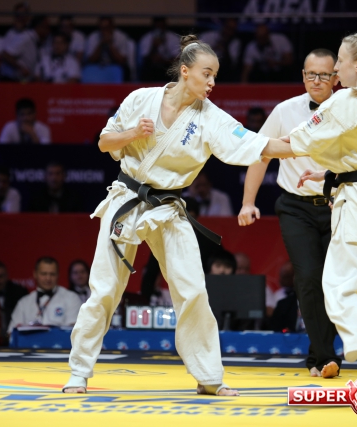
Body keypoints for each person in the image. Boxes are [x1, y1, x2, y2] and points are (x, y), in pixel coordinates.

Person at [62, 35, 284, 396]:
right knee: (104, 289)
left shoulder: (211, 117)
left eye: (215, 76)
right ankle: (78, 373)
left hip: (167, 208)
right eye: (207, 74)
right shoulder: (141, 99)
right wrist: (133, 132)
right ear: (185, 71)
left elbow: (257, 145)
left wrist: (304, 146)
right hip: (126, 198)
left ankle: (209, 377)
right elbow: (104, 142)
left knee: (192, 288)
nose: (212, 83)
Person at [260, 33, 357, 386]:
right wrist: (332, 172)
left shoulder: (348, 100)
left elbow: (293, 144)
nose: (335, 73)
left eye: (340, 64)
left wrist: (243, 144)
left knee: (337, 287)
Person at [239, 48, 342, 378]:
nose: (316, 80)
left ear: (336, 78)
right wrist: (248, 202)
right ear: (302, 76)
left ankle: (320, 354)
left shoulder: (350, 109)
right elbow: (260, 154)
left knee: (334, 281)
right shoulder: (285, 110)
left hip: (339, 205)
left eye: (324, 75)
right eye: (311, 74)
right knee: (308, 277)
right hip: (296, 207)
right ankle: (324, 357)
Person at [8, 257, 82, 333]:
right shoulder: (24, 302)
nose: (48, 278)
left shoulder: (72, 298)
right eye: (44, 274)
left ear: (58, 275)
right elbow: (11, 333)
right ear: (35, 274)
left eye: (52, 274)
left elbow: (74, 331)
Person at [1, 2, 37, 82]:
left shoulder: (31, 33)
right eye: (19, 14)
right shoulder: (10, 34)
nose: (21, 17)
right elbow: (5, 55)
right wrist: (20, 67)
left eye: (24, 14)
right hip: (10, 78)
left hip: (28, 79)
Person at [139, 16, 180, 82]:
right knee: (146, 69)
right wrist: (154, 46)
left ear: (165, 26)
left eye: (161, 26)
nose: (159, 29)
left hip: (167, 65)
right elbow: (144, 58)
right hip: (151, 67)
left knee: (175, 69)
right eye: (157, 27)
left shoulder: (173, 38)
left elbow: (177, 58)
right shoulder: (146, 38)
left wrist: (164, 60)